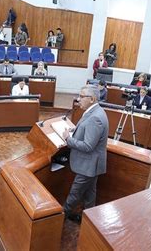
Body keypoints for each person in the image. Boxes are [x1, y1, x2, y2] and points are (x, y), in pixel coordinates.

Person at [61, 85, 109, 223]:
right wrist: (75, 131)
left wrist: (68, 139)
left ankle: (60, 217)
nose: (78, 99)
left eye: (82, 96)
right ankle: (89, 221)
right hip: (91, 164)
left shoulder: (95, 118)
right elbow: (87, 131)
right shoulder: (94, 111)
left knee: (75, 193)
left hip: (89, 164)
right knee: (90, 194)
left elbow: (88, 146)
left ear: (92, 99)